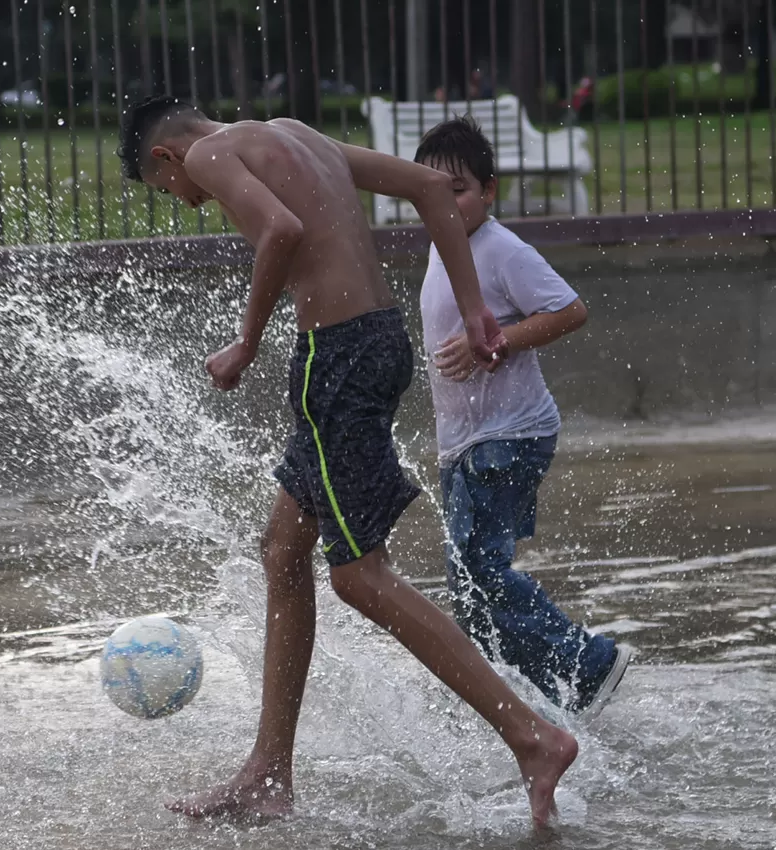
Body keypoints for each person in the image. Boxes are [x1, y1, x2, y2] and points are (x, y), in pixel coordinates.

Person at [116, 96, 578, 828]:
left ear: (166, 158)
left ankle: (532, 738)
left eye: (168, 190)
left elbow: (280, 228)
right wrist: (474, 305)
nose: (190, 199)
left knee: (360, 576)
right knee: (281, 550)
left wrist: (245, 341)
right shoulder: (295, 133)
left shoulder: (205, 154)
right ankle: (268, 774)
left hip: (335, 358)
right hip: (377, 343)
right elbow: (429, 189)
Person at [413, 116, 632, 719]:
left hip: (508, 436)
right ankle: (511, 690)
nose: (443, 201)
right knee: (471, 582)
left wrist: (500, 341)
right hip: (465, 442)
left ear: (489, 191)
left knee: (478, 570)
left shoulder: (502, 249)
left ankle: (586, 665)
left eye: (457, 189)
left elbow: (569, 309)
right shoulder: (442, 249)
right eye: (428, 190)